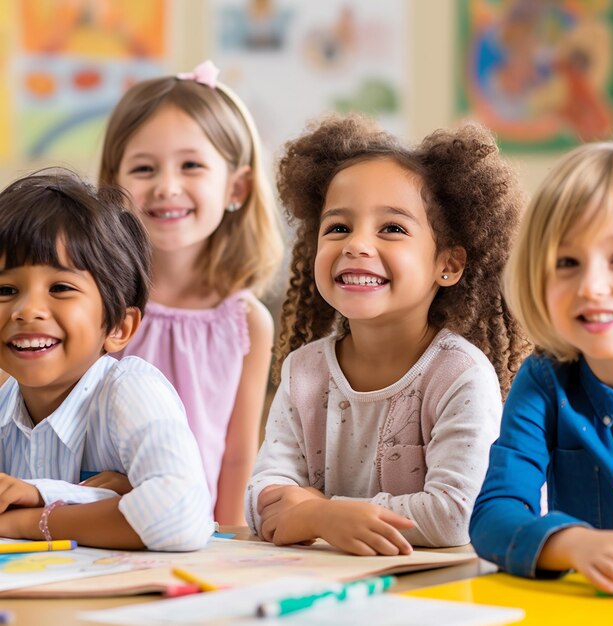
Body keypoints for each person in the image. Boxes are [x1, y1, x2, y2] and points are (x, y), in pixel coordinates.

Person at [245, 114, 529, 556]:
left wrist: (323, 513)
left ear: (448, 265)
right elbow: (263, 497)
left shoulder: (460, 374)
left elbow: (456, 513)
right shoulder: (304, 371)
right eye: (338, 227)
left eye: (392, 229)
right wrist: (321, 517)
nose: (356, 244)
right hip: (325, 584)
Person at [99, 60, 284, 525]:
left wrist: (227, 542)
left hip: (191, 532)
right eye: (143, 168)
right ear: (113, 185)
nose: (167, 186)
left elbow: (238, 456)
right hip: (93, 525)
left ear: (235, 187)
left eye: (191, 165)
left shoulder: (246, 322)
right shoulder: (95, 302)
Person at [0, 169, 212, 551]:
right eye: (5, 289)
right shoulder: (4, 406)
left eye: (60, 287)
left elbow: (181, 516)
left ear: (117, 325)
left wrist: (29, 519)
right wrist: (97, 499)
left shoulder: (130, 390)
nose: (26, 309)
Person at [470, 141, 613, 594]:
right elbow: (495, 517)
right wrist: (576, 544)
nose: (592, 287)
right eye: (567, 262)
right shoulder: (544, 380)